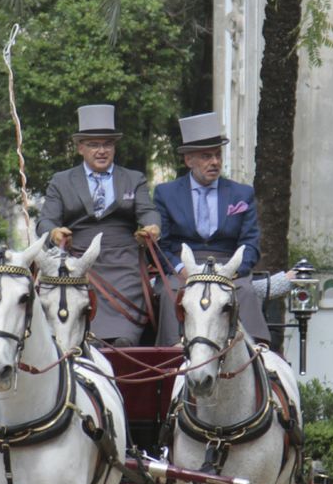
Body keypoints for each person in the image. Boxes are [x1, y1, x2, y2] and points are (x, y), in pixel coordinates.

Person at [37, 104, 161, 348]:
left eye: (108, 144)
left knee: (129, 320)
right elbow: (45, 220)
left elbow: (148, 211)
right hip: (77, 261)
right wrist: (54, 232)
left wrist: (152, 227)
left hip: (124, 260)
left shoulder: (133, 179)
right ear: (80, 148)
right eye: (94, 145)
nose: (102, 151)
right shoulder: (61, 181)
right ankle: (82, 344)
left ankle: (125, 345)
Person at [153, 112, 271, 346]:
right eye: (206, 156)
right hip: (184, 270)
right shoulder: (165, 193)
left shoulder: (241, 194)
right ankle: (173, 355)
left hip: (228, 268)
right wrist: (180, 269)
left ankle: (255, 353)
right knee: (170, 294)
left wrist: (233, 271)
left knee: (245, 292)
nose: (215, 162)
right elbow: (160, 245)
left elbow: (250, 244)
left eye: (217, 155)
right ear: (189, 160)